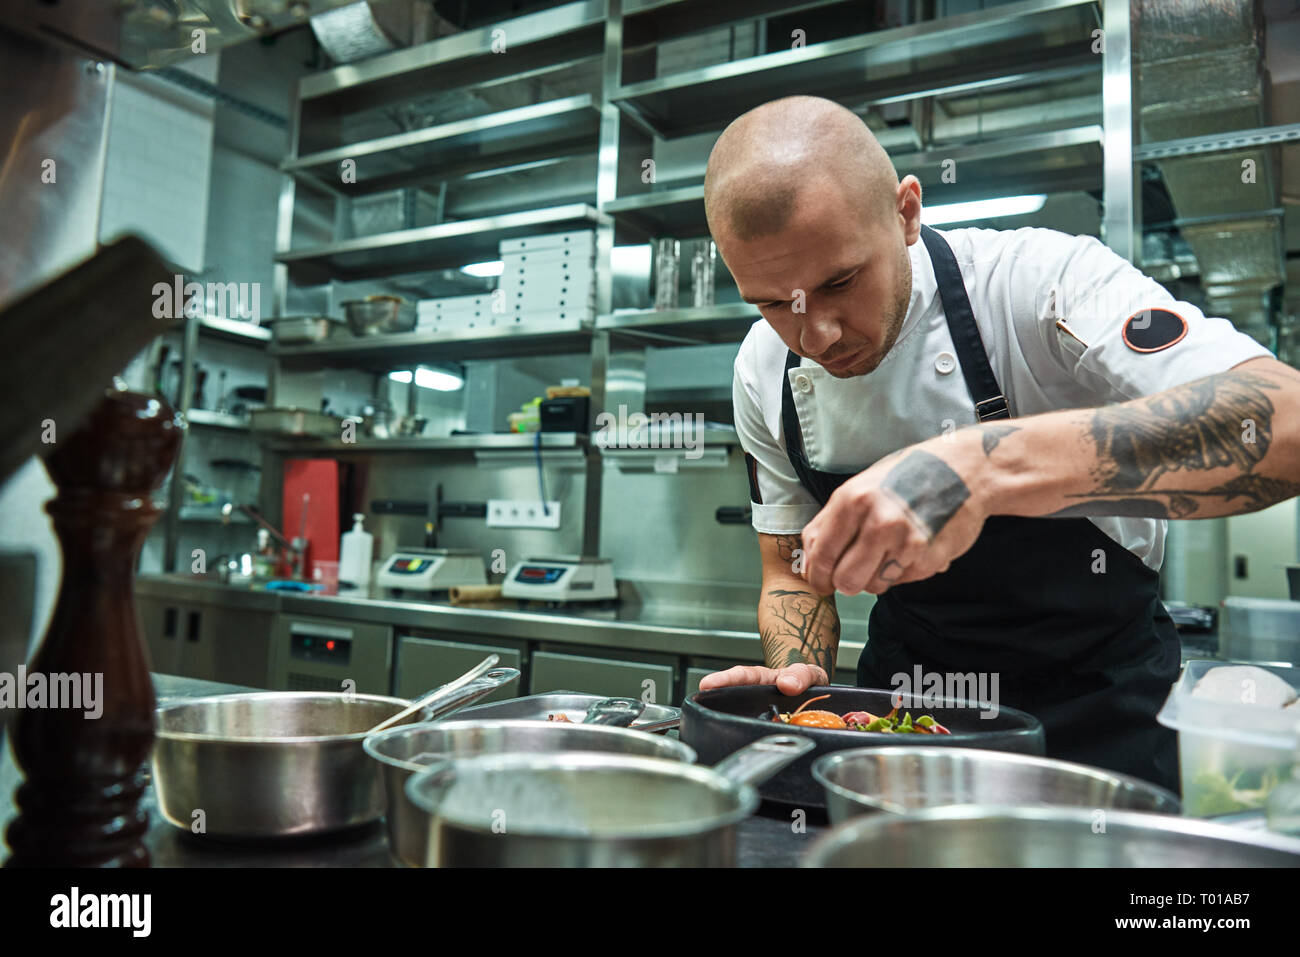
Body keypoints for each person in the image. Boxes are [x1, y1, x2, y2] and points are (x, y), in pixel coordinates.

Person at [698, 95, 1300, 790]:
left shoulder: (1038, 284)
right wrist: (793, 671)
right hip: (909, 722)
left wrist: (978, 467)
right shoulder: (762, 369)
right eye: (774, 303)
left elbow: (1281, 420)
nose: (816, 334)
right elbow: (793, 570)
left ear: (905, 212)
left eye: (840, 281)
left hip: (1101, 716)